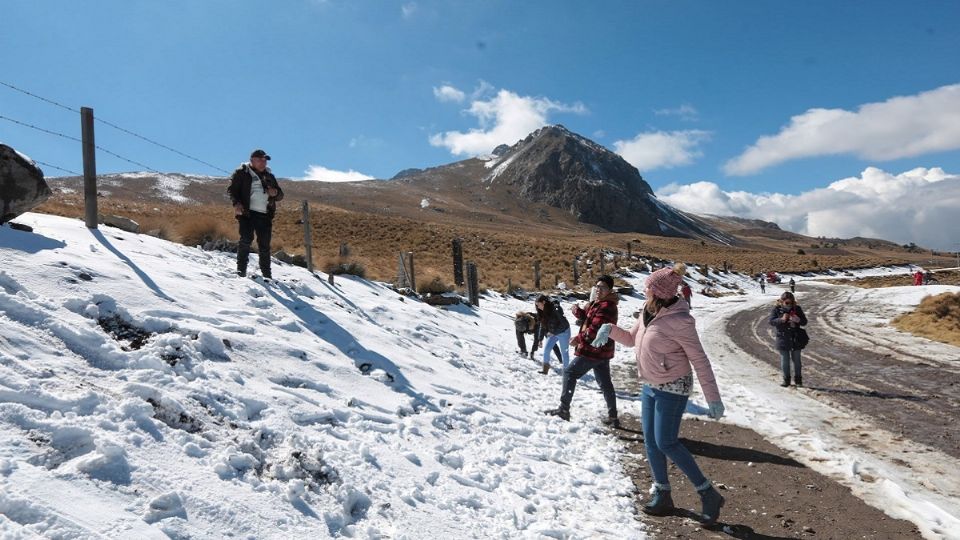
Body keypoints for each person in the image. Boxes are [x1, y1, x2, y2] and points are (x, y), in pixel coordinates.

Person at [593, 263, 726, 526]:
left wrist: (713, 397)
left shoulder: (681, 321)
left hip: (673, 386)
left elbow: (699, 360)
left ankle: (708, 493)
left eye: (649, 288)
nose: (645, 292)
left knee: (666, 442)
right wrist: (610, 330)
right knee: (651, 443)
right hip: (649, 384)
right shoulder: (647, 310)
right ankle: (663, 494)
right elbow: (632, 340)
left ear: (661, 292)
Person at [545, 275, 619, 426]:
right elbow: (589, 318)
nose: (598, 289)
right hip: (602, 351)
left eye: (602, 287)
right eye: (597, 286)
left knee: (570, 372)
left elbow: (595, 329)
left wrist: (578, 339)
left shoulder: (607, 306)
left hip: (594, 350)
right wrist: (577, 311)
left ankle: (564, 409)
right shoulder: (599, 303)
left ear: (609, 290)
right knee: (605, 383)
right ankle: (613, 417)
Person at [227, 149, 284, 279]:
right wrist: (236, 203)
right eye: (259, 160)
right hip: (247, 213)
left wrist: (275, 193)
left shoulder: (270, 176)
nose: (263, 162)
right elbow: (232, 190)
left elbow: (280, 195)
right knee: (246, 240)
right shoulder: (242, 173)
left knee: (264, 246)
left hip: (265, 214)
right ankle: (241, 271)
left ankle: (267, 275)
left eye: (265, 160)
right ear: (252, 160)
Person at [769, 291, 808, 387]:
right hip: (783, 338)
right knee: (785, 360)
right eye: (787, 303)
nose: (789, 304)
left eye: (791, 302)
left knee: (797, 360)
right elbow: (771, 321)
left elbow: (804, 321)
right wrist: (781, 319)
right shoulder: (776, 309)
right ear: (781, 302)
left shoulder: (797, 309)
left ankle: (798, 381)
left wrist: (798, 320)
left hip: (796, 337)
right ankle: (786, 380)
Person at [535, 295, 572, 374]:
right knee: (546, 350)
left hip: (564, 332)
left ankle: (566, 372)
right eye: (536, 305)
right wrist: (540, 339)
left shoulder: (555, 309)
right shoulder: (542, 312)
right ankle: (545, 370)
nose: (538, 307)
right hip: (553, 333)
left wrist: (553, 332)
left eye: (538, 304)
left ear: (544, 302)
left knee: (564, 352)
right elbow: (542, 325)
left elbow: (563, 324)